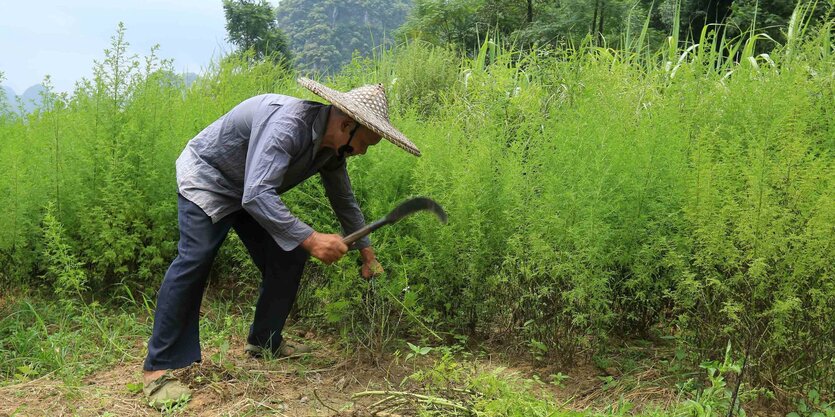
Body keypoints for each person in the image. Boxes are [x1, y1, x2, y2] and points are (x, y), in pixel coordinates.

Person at [141, 78, 421, 408]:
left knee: (288, 257)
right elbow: (258, 194)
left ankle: (265, 343)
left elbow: (343, 199)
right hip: (209, 177)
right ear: (347, 125)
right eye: (366, 144)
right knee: (196, 258)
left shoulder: (331, 149)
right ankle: (159, 367)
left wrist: (367, 252)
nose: (362, 152)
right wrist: (313, 238)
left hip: (250, 190)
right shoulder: (288, 125)